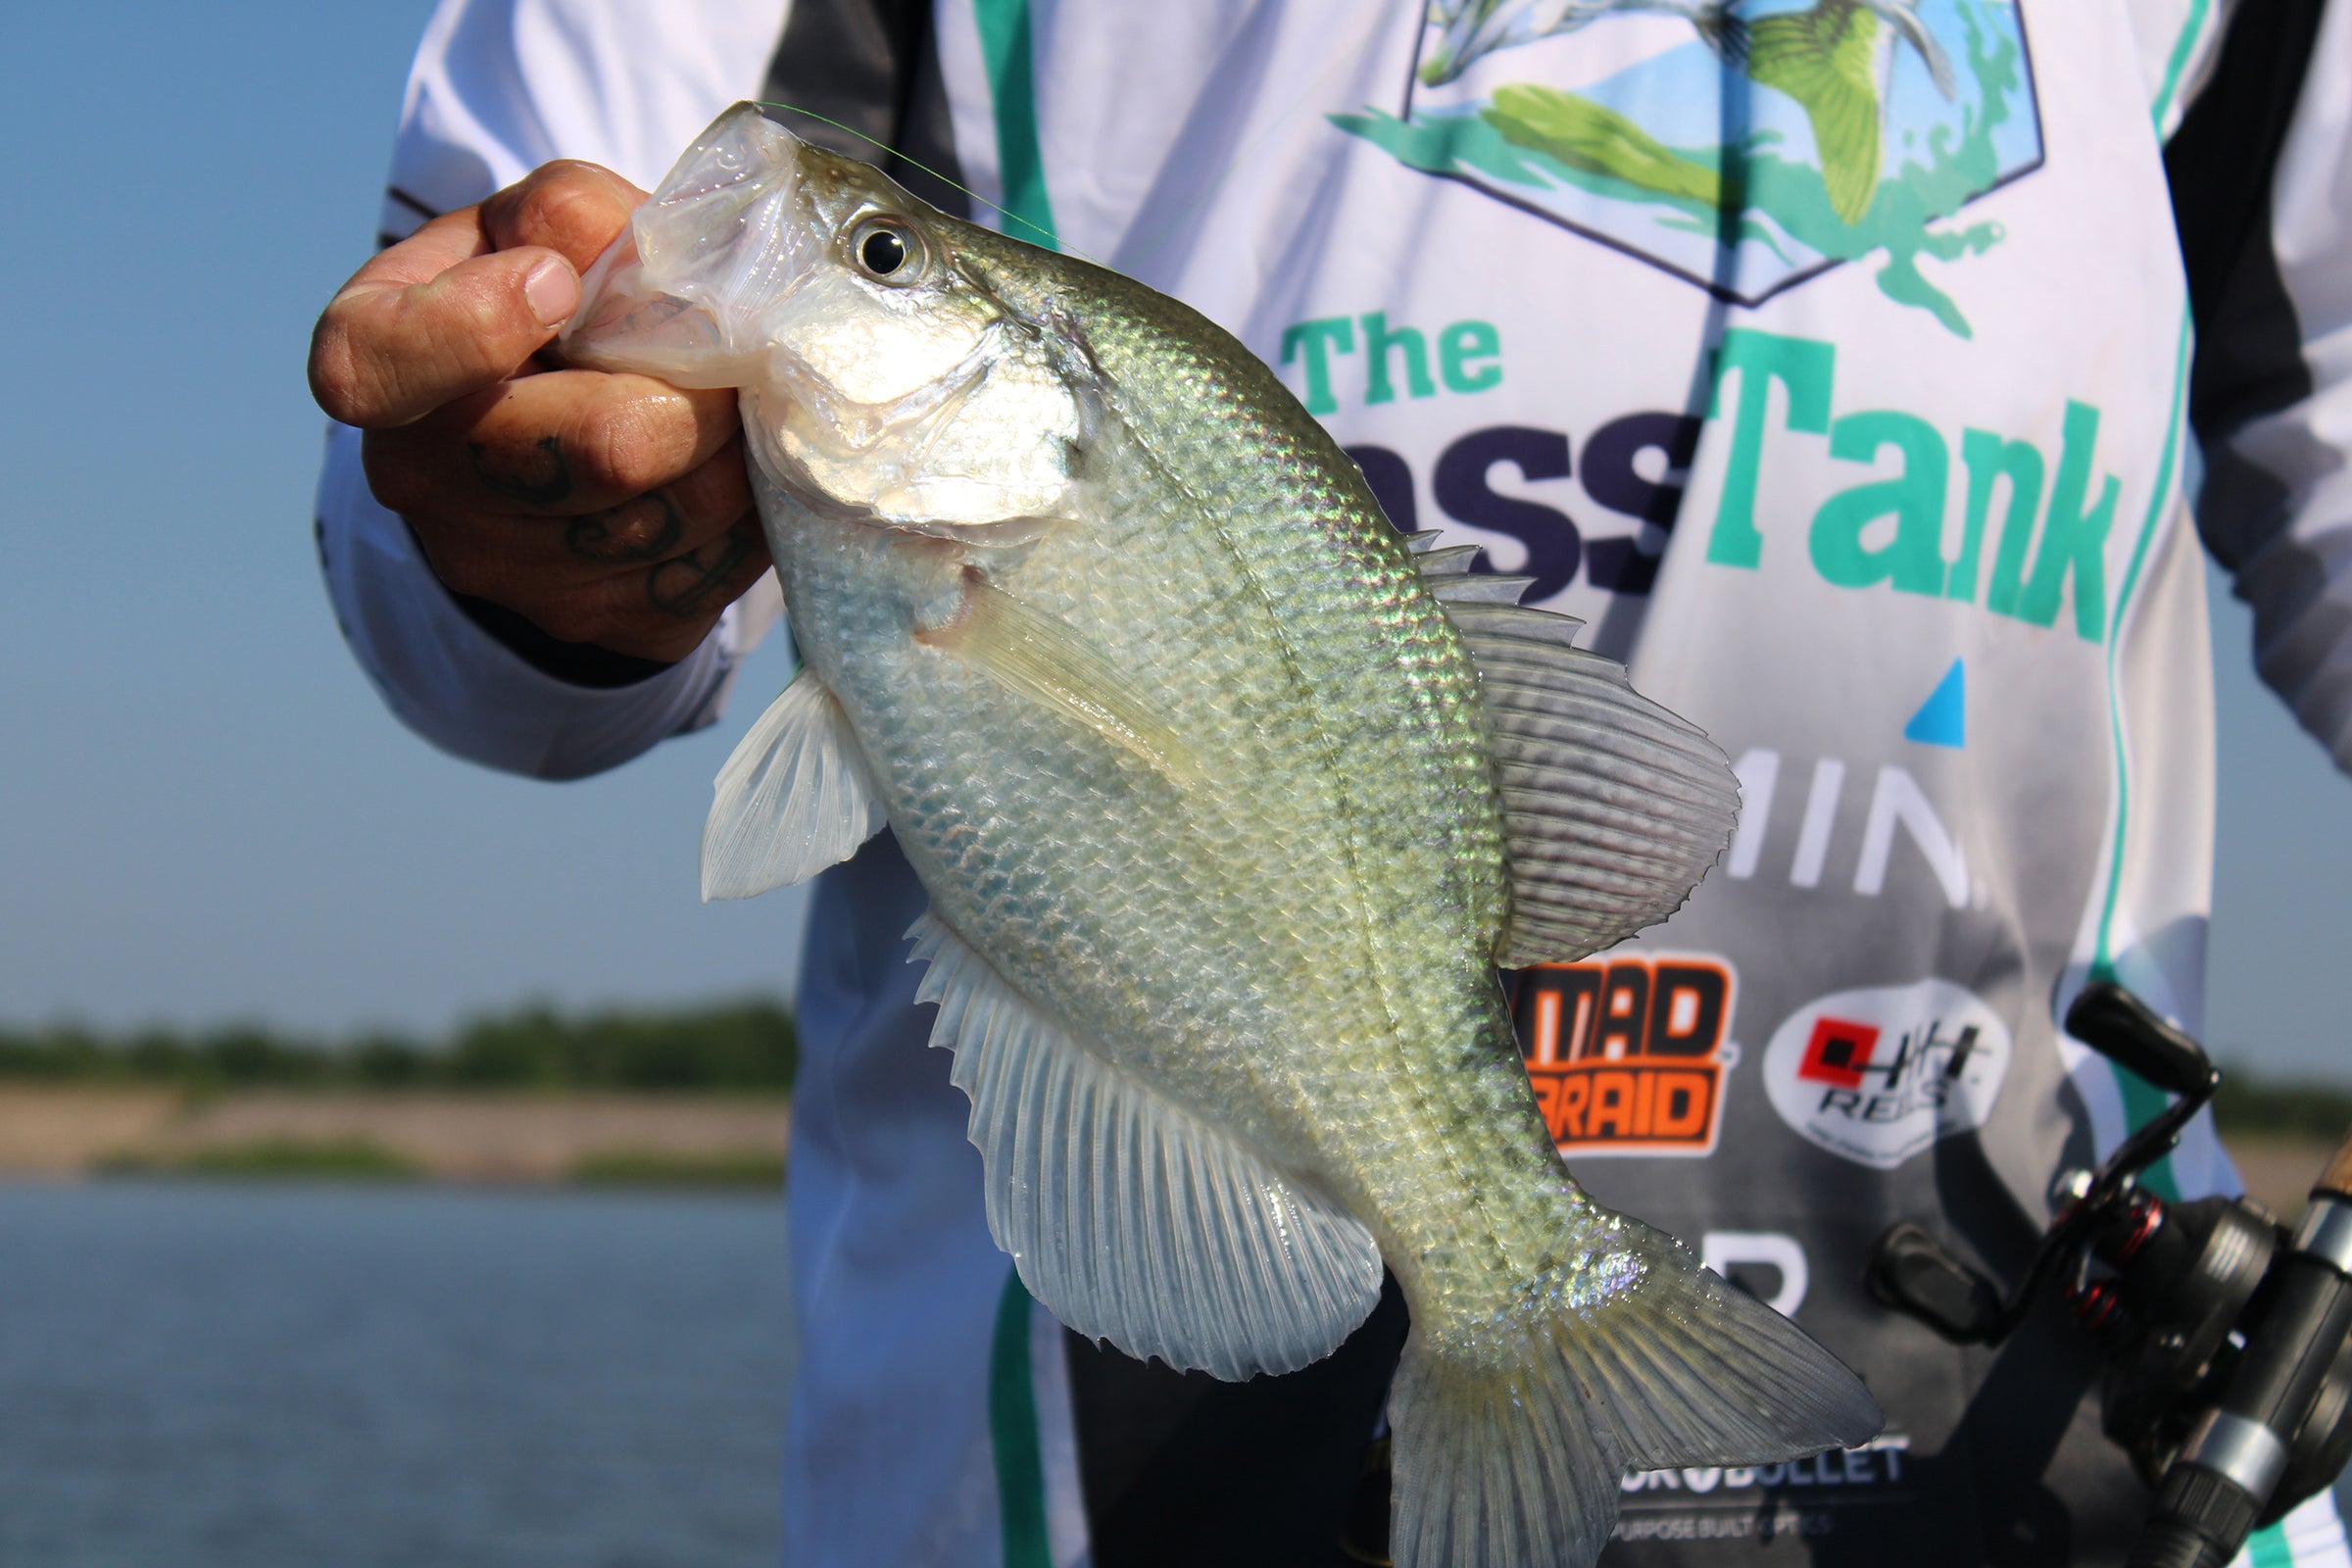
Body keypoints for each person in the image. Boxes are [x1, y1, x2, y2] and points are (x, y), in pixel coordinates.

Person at [308, 1, 2352, 1563]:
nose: (825, 244)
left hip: (2086, 1427)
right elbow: (466, 624)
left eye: (881, 259)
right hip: (1108, 1481)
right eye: (889, 259)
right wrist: (531, 528)